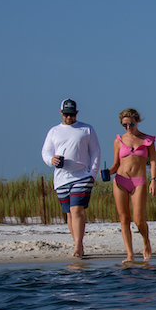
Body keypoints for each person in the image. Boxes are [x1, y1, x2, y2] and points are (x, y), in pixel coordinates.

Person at [41, 98, 101, 258]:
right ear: (61, 113)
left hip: (82, 176)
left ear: (77, 113)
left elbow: (95, 151)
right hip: (61, 178)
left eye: (72, 114)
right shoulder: (53, 131)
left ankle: (77, 247)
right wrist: (51, 160)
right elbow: (45, 152)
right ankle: (78, 243)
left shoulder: (86, 129)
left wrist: (92, 174)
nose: (69, 117)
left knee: (77, 210)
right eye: (66, 114)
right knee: (69, 213)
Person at [108, 108, 156, 262]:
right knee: (124, 218)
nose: (128, 127)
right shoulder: (118, 141)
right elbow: (116, 164)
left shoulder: (147, 140)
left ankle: (146, 241)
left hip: (139, 181)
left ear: (137, 122)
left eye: (131, 124)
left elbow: (153, 161)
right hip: (121, 180)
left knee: (138, 219)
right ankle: (129, 254)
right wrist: (107, 172)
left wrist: (153, 180)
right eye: (125, 125)